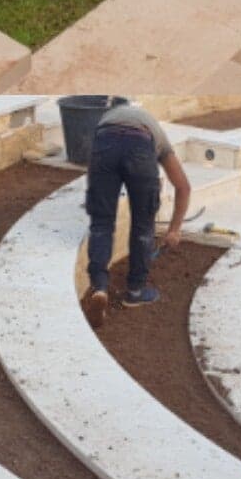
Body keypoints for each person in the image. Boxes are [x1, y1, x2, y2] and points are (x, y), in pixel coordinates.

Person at [82, 97, 191, 324]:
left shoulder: (106, 120)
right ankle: (135, 292)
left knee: (101, 224)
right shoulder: (156, 132)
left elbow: (93, 168)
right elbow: (183, 187)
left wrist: (97, 197)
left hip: (105, 145)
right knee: (143, 226)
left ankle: (99, 287)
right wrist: (174, 230)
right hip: (140, 146)